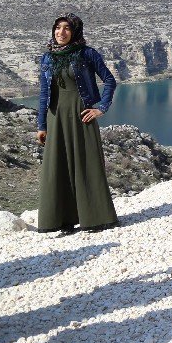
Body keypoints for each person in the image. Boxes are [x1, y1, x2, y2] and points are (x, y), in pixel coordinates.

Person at [36, 13, 119, 234]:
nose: (61, 33)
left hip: (82, 114)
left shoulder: (86, 54)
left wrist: (100, 107)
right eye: (57, 28)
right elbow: (44, 94)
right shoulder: (47, 57)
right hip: (56, 118)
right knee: (58, 166)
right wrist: (41, 125)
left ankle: (95, 218)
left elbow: (110, 81)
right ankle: (61, 221)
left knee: (86, 164)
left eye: (66, 29)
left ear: (75, 32)